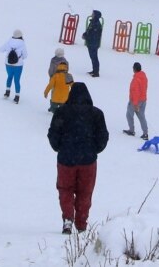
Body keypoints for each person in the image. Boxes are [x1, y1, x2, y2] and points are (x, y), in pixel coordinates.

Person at [47, 81, 108, 234]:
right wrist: (94, 150)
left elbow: (53, 134)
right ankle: (81, 224)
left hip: (66, 159)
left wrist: (59, 148)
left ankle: (67, 219)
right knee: (85, 192)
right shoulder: (96, 114)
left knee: (65, 190)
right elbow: (103, 136)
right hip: (88, 161)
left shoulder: (61, 112)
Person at [123, 62, 149, 139]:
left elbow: (135, 92)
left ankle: (131, 131)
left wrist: (135, 104)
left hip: (135, 101)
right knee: (142, 116)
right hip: (143, 100)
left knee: (129, 115)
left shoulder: (136, 80)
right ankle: (145, 133)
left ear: (134, 69)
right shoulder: (144, 77)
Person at [1, 30, 27, 103]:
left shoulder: (9, 42)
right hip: (18, 65)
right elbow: (25, 55)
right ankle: (17, 96)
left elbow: (1, 49)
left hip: (8, 64)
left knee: (9, 77)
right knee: (17, 80)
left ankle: (7, 92)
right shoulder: (22, 43)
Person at [83, 10, 103, 77]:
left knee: (94, 58)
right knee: (92, 57)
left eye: (93, 14)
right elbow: (89, 30)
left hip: (94, 43)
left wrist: (86, 36)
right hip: (90, 43)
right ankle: (94, 70)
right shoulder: (92, 22)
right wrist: (85, 34)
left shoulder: (97, 24)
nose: (92, 14)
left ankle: (96, 72)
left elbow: (94, 35)